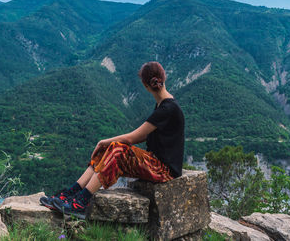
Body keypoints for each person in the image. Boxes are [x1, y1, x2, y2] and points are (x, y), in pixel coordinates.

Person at [40, 61, 185, 219]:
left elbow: (132, 138)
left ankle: (80, 203)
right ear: (163, 78)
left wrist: (104, 141)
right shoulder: (164, 105)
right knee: (109, 148)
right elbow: (144, 135)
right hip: (155, 163)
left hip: (164, 170)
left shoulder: (167, 108)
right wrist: (106, 145)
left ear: (145, 85)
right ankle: (71, 193)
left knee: (117, 149)